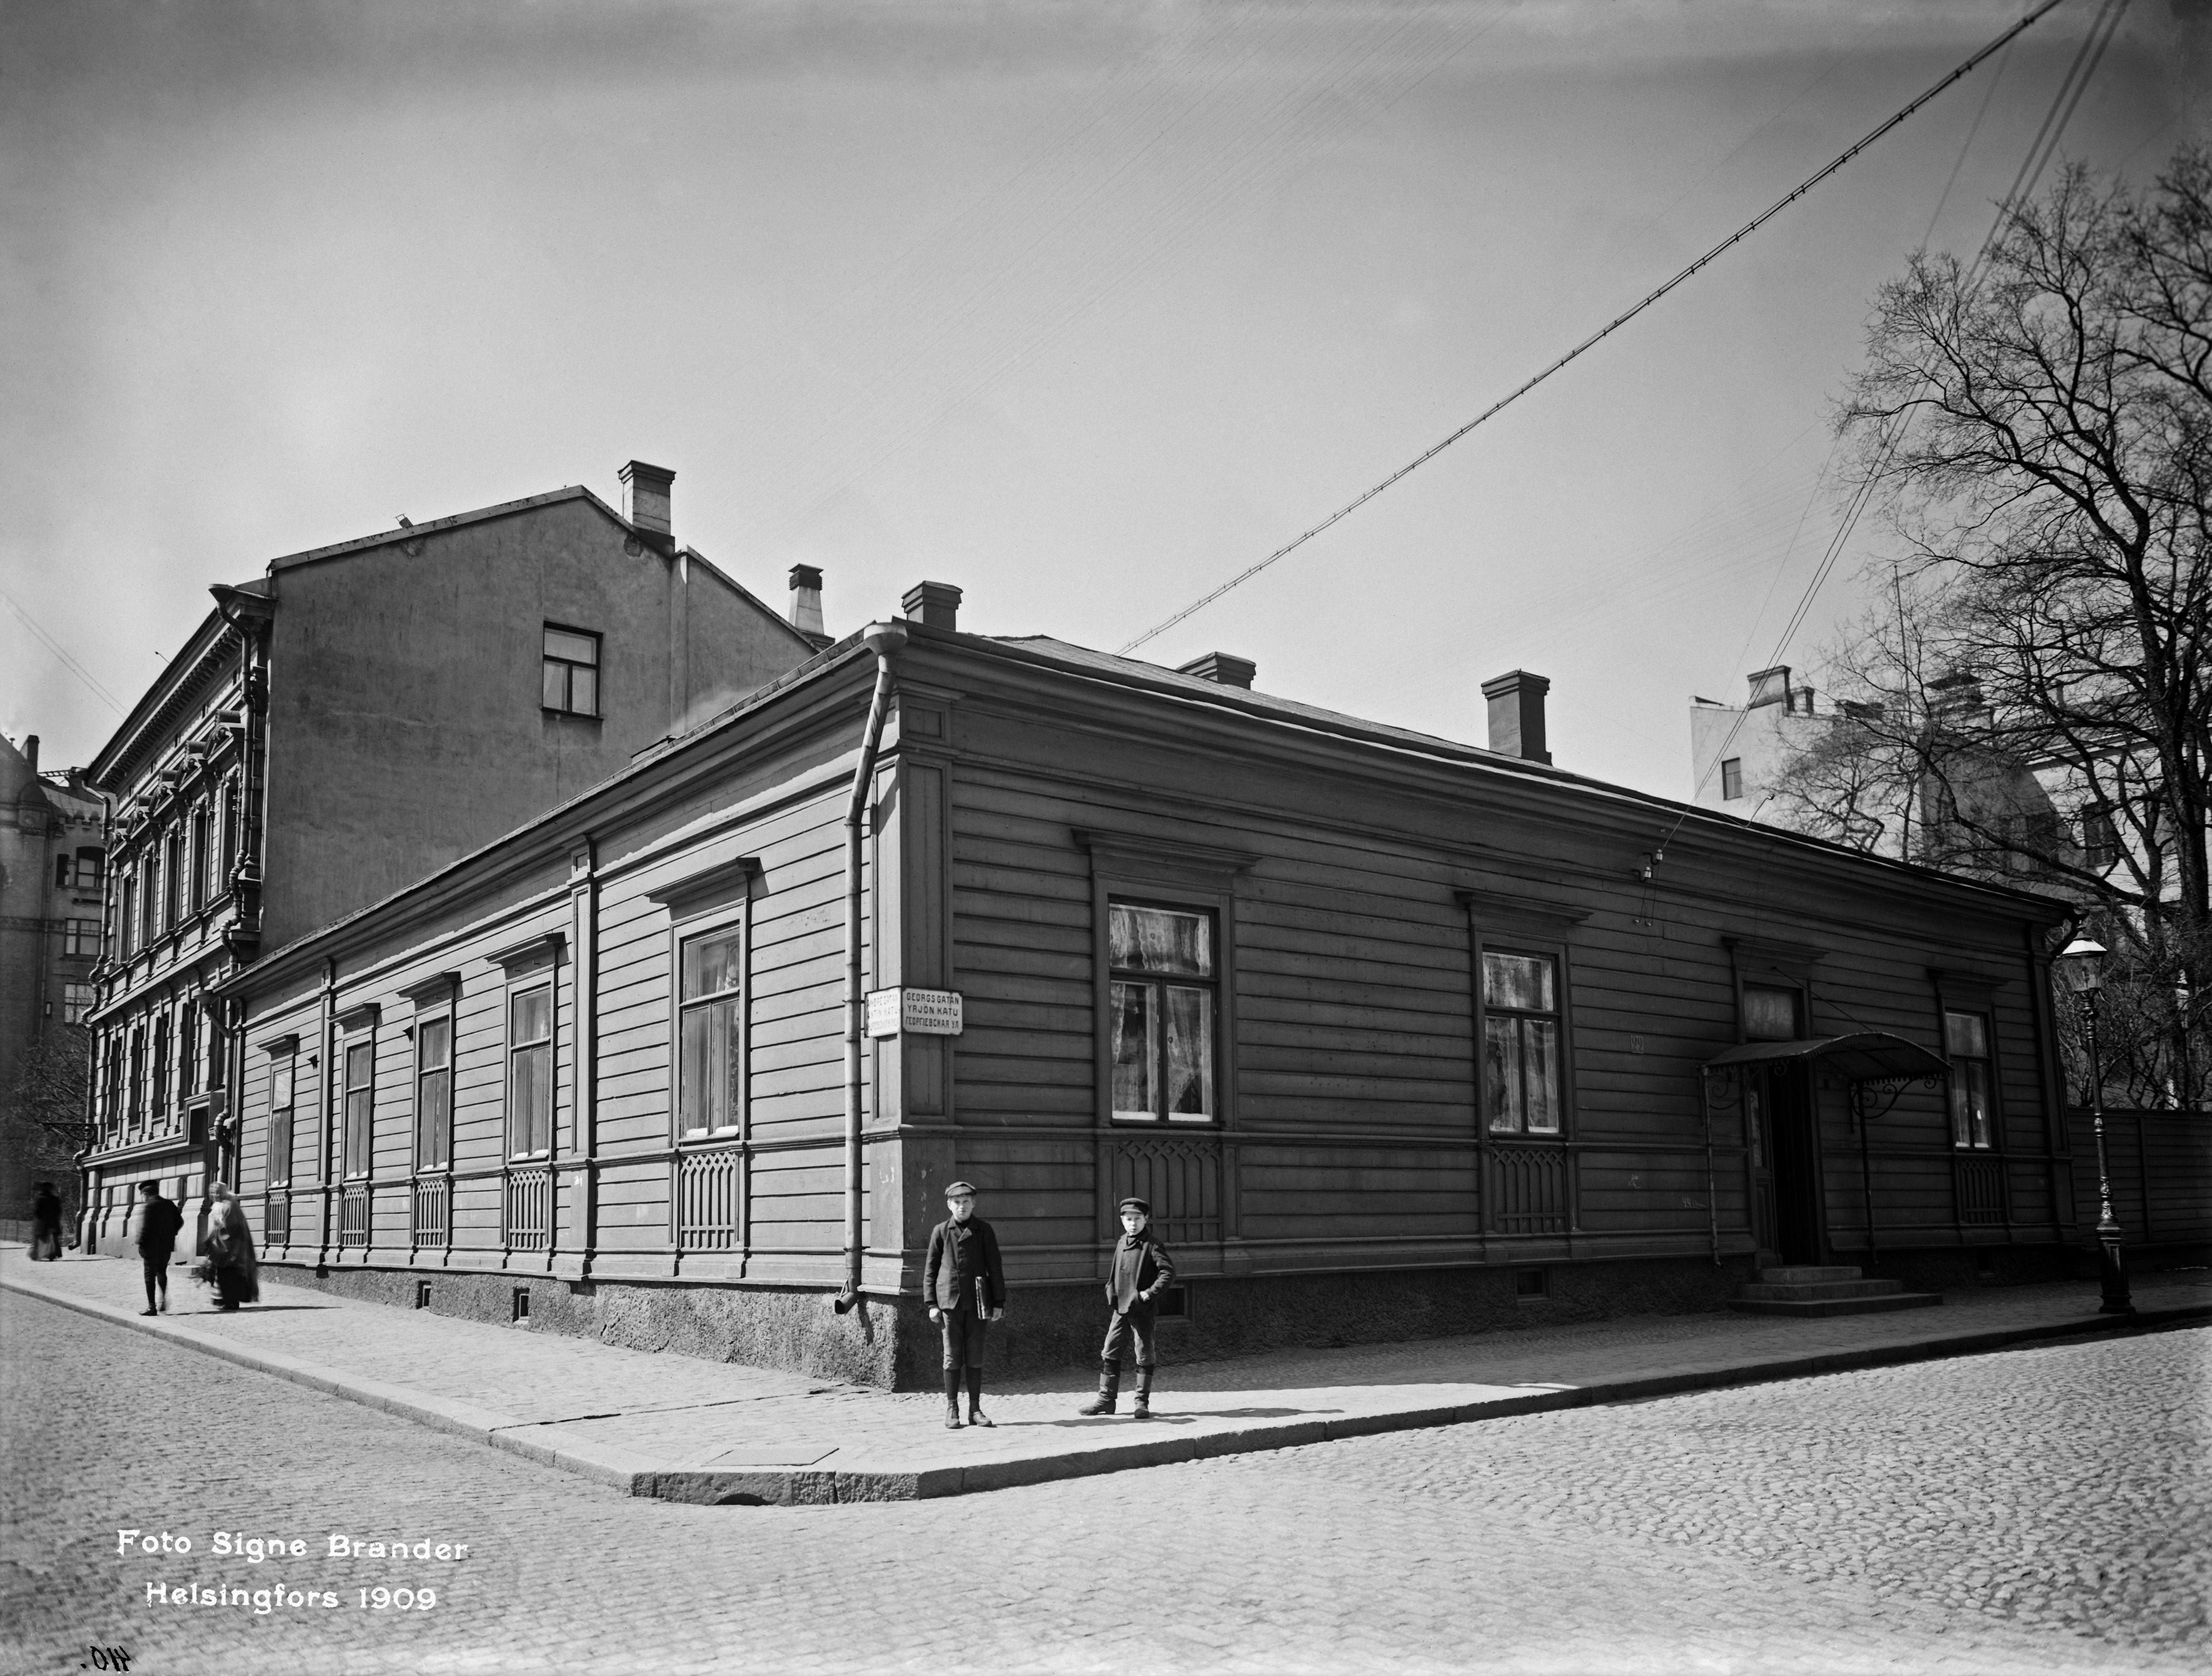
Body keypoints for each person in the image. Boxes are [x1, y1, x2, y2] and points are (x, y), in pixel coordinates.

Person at [1078, 1196, 1176, 1420]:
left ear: (1146, 1219)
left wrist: (1149, 1293)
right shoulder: (1122, 1241)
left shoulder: (1153, 1245)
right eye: (1129, 1219)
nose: (1133, 1224)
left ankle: (1141, 1403)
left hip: (1142, 1309)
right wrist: (1110, 1290)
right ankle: (1106, 1400)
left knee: (1144, 1354)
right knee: (1110, 1351)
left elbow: (1168, 1273)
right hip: (1120, 1308)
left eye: (1138, 1219)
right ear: (1122, 1220)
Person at [922, 1181, 1005, 1430]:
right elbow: (931, 1270)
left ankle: (975, 1409)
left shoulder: (984, 1231)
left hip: (978, 1302)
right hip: (950, 1302)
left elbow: (995, 1268)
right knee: (952, 1357)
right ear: (949, 1205)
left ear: (973, 1204)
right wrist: (931, 1304)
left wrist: (998, 1302)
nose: (962, 1207)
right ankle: (952, 1408)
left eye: (966, 1202)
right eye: (957, 1202)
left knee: (975, 1356)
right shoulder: (941, 1231)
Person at [199, 1182, 258, 1311]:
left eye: (218, 1192)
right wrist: (211, 1238)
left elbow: (230, 1229)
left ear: (224, 1192)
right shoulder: (220, 1205)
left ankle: (232, 1301)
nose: (215, 1195)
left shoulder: (230, 1205)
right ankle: (227, 1300)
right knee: (223, 1275)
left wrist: (216, 1240)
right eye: (213, 1193)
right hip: (224, 1245)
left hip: (232, 1247)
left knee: (229, 1274)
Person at [134, 1182, 184, 1314]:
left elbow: (146, 1228)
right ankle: (163, 1300)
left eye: (143, 1195)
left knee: (149, 1275)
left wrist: (141, 1243)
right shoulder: (169, 1204)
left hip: (150, 1246)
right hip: (166, 1246)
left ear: (146, 1194)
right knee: (162, 1272)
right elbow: (180, 1222)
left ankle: (152, 1306)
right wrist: (171, 1234)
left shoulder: (149, 1206)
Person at [29, 1183, 64, 1261]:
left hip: (42, 1222)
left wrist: (39, 1218)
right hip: (53, 1222)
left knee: (42, 1239)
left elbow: (36, 1211)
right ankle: (52, 1254)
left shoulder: (39, 1199)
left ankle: (39, 1254)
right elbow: (58, 1211)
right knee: (52, 1239)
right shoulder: (55, 1199)